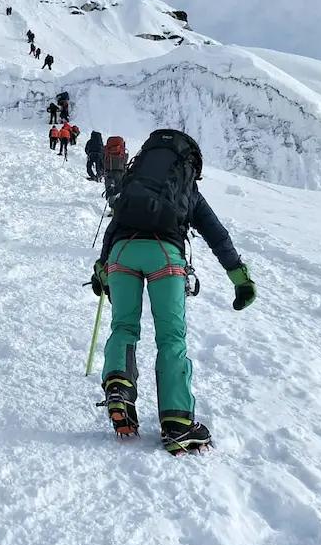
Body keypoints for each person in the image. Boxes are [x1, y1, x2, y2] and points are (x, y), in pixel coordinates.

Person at [90, 129, 257, 454]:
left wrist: (102, 270)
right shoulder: (186, 191)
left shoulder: (133, 184)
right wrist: (241, 278)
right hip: (165, 255)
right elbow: (217, 236)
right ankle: (178, 424)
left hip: (122, 253)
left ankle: (119, 386)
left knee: (123, 327)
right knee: (171, 338)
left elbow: (114, 227)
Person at [103, 136, 128, 210]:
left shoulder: (107, 149)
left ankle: (112, 208)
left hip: (109, 170)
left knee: (110, 189)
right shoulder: (123, 150)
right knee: (119, 189)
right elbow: (125, 161)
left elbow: (103, 159)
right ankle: (118, 208)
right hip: (120, 171)